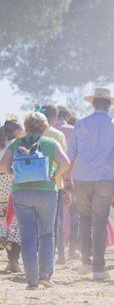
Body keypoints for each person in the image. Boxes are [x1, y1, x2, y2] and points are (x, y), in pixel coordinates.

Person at [0, 112, 71, 289]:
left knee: (28, 236)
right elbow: (65, 162)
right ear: (44, 127)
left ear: (27, 126)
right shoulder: (50, 143)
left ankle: (31, 280)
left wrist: (15, 174)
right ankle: (45, 275)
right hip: (47, 192)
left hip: (21, 193)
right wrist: (55, 175)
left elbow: (2, 165)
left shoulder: (16, 143)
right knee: (47, 234)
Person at [68, 88, 114, 281]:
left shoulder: (81, 124)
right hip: (104, 178)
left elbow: (71, 153)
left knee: (84, 219)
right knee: (99, 222)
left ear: (93, 103)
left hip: (82, 177)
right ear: (109, 105)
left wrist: (67, 177)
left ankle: (86, 261)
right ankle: (99, 268)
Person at [39, 105, 69, 265]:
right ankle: (58, 256)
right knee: (55, 222)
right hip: (55, 185)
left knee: (37, 222)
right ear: (54, 119)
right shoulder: (58, 135)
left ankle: (37, 257)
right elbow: (64, 162)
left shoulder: (27, 134)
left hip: (31, 185)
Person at [54, 106, 78, 261]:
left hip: (54, 177)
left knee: (57, 217)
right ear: (68, 116)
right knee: (75, 214)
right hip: (75, 177)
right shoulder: (74, 129)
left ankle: (59, 250)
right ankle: (72, 249)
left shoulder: (46, 129)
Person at [0, 118, 24, 273]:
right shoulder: (18, 146)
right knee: (14, 223)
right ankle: (13, 262)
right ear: (15, 131)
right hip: (13, 189)